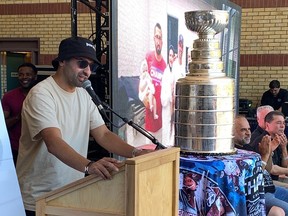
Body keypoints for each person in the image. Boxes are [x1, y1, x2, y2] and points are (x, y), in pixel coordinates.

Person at [16, 37, 152, 216]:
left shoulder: (84, 94)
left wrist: (135, 153)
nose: (87, 71)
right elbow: (53, 142)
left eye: (91, 66)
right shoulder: (41, 94)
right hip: (39, 198)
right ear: (62, 61)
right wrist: (89, 166)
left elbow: (103, 134)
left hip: (71, 192)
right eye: (82, 63)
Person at [233, 115, 287, 215]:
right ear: (231, 132)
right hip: (259, 193)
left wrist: (270, 152)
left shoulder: (247, 147)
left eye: (249, 129)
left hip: (271, 188)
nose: (248, 133)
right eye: (243, 130)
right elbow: (254, 177)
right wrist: (265, 155)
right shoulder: (234, 153)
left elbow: (268, 168)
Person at [1, 62, 38, 165]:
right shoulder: (9, 96)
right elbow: (3, 125)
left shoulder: (42, 95)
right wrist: (20, 115)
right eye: (21, 74)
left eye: (28, 74)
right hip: (16, 148)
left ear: (35, 77)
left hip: (38, 148)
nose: (24, 77)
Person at [144, 23, 166, 144]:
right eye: (156, 36)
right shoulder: (148, 57)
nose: (158, 40)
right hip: (149, 120)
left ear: (162, 41)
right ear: (154, 39)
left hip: (161, 120)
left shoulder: (164, 64)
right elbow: (142, 82)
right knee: (148, 151)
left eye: (160, 37)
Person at [250, 111, 288, 181]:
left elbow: (284, 166)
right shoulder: (263, 140)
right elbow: (272, 170)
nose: (282, 126)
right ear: (267, 125)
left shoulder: (278, 139)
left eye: (283, 123)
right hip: (264, 182)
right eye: (278, 123)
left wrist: (284, 148)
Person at [161, 45, 176, 147]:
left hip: (173, 105)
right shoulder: (166, 72)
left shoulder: (174, 70)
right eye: (169, 55)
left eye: (172, 55)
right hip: (166, 105)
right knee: (166, 129)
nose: (171, 58)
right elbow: (163, 96)